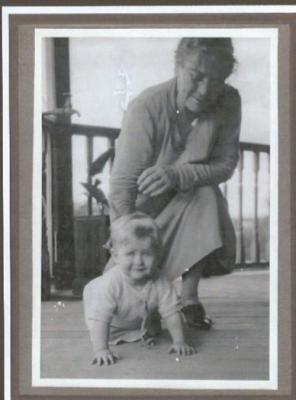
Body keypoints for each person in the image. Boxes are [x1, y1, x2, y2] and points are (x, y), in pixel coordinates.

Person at [108, 38, 241, 329]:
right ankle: (150, 294)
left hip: (191, 206)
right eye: (197, 76)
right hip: (142, 220)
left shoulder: (229, 101)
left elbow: (226, 164)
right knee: (122, 315)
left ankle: (189, 298)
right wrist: (127, 242)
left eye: (217, 79)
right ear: (178, 66)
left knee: (205, 191)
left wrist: (177, 175)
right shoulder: (146, 106)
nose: (206, 90)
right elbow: (122, 185)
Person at [84, 212, 196, 366]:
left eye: (147, 254)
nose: (139, 261)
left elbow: (171, 312)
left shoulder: (160, 279)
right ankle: (129, 330)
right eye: (130, 254)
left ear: (158, 256)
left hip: (136, 312)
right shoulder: (110, 283)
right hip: (108, 321)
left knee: (158, 322)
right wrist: (101, 350)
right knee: (103, 327)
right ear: (115, 256)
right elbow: (101, 320)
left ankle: (141, 325)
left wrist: (179, 341)